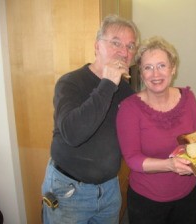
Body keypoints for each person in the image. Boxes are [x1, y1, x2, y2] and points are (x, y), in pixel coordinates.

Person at [41, 14, 140, 224]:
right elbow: (73, 134)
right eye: (116, 43)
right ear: (97, 46)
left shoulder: (127, 92)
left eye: (130, 46)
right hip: (69, 191)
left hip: (109, 190)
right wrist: (108, 82)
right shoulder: (70, 83)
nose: (124, 52)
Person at [116, 36, 196, 224]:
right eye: (148, 67)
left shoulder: (188, 98)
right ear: (141, 72)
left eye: (162, 65)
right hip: (147, 201)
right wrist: (169, 165)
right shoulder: (129, 108)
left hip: (188, 195)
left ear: (173, 69)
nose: (155, 74)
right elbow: (132, 159)